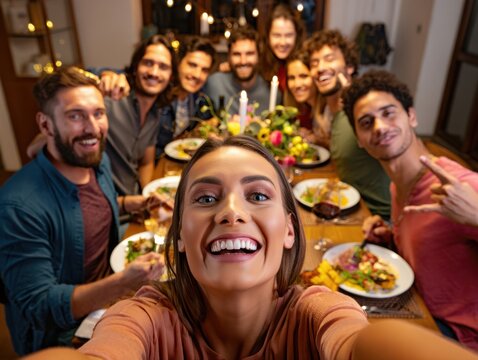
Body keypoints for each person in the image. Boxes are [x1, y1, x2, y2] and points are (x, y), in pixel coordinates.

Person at [21, 136, 478, 360]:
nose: (231, 212)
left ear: (290, 231)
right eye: (205, 198)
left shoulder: (320, 312)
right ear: (178, 234)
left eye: (258, 195)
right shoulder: (145, 318)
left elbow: (363, 342)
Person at [0, 67, 164, 355]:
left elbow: (93, 207)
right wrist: (122, 284)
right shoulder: (18, 207)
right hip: (68, 335)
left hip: (113, 290)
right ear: (46, 125)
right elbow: (40, 306)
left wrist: (129, 202)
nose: (92, 128)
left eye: (98, 113)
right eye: (75, 116)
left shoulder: (93, 161)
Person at [342, 69, 478, 351]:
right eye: (366, 122)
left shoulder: (460, 186)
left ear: (412, 117)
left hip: (459, 338)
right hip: (417, 308)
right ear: (359, 139)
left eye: (389, 113)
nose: (379, 126)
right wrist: (392, 237)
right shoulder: (397, 187)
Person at [27, 34, 176, 197]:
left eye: (163, 67)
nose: (154, 72)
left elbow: (146, 163)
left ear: (171, 76)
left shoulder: (155, 113)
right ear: (135, 67)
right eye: (148, 63)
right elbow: (33, 149)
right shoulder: (111, 99)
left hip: (132, 201)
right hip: (100, 204)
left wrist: (150, 196)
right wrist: (104, 78)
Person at [306, 29, 391, 219]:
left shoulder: (363, 109)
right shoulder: (335, 112)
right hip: (349, 209)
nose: (320, 68)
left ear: (350, 66)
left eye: (329, 58)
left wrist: (355, 100)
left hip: (378, 219)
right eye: (314, 63)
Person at [203, 26, 280, 115]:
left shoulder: (272, 91)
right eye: (236, 54)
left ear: (259, 56)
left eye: (249, 54)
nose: (243, 61)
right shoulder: (213, 83)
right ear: (229, 57)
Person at [284, 50, 329, 147]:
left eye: (303, 76)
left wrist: (318, 140)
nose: (297, 84)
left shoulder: (329, 108)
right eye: (291, 78)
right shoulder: (308, 108)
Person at [260, 3, 305, 92]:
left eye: (288, 35)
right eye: (277, 35)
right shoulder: (261, 62)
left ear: (297, 36)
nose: (283, 43)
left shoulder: (305, 63)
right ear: (268, 37)